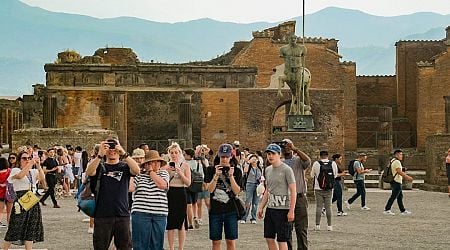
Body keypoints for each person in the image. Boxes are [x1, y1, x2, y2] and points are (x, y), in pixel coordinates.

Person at [85, 138, 140, 250]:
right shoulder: (99, 166)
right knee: (100, 247)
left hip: (122, 214)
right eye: (108, 147)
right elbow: (89, 172)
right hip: (102, 215)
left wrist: (124, 153)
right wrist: (99, 155)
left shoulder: (124, 167)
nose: (112, 150)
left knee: (125, 247)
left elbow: (136, 170)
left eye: (114, 147)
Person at [3, 151, 46, 250]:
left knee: (31, 227)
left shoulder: (33, 171)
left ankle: (29, 249)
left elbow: (42, 178)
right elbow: (20, 176)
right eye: (24, 158)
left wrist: (39, 166)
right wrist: (30, 163)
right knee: (15, 226)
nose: (27, 160)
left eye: (29, 158)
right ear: (19, 160)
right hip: (21, 199)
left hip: (32, 199)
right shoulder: (15, 170)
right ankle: (5, 248)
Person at [257, 143, 296, 250]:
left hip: (283, 209)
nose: (270, 156)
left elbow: (293, 191)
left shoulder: (287, 170)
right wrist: (261, 207)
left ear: (279, 154)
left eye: (273, 154)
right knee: (269, 238)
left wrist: (291, 210)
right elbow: (267, 190)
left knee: (282, 240)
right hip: (271, 208)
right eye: (269, 154)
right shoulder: (268, 170)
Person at [204, 143, 242, 250]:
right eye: (222, 156)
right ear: (218, 156)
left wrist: (231, 176)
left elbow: (237, 191)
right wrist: (216, 175)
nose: (224, 159)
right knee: (216, 241)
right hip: (215, 210)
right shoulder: (211, 170)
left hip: (231, 210)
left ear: (231, 157)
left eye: (226, 156)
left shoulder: (236, 171)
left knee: (230, 241)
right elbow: (209, 189)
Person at [130, 150, 169, 250]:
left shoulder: (163, 173)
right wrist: (132, 173)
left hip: (159, 213)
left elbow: (162, 185)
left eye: (158, 162)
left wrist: (151, 172)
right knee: (140, 245)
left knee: (157, 245)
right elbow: (130, 188)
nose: (156, 164)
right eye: (153, 162)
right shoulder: (139, 175)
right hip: (141, 212)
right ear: (147, 164)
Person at [281, 139, 310, 250]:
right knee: (286, 229)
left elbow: (307, 161)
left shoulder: (298, 160)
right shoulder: (280, 162)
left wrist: (294, 148)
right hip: (285, 199)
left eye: (288, 145)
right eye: (284, 145)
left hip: (299, 197)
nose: (286, 147)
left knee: (301, 229)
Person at [164, 142, 191, 250]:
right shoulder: (166, 166)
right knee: (170, 222)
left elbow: (188, 183)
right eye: (172, 153)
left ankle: (181, 247)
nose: (174, 155)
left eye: (176, 152)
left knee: (181, 222)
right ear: (169, 154)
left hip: (181, 192)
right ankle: (171, 247)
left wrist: (181, 174)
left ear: (179, 153)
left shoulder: (185, 166)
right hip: (170, 193)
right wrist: (166, 170)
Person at [279, 33, 310, 115]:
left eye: (295, 38)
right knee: (294, 91)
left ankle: (302, 109)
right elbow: (282, 57)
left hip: (298, 69)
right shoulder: (283, 49)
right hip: (289, 71)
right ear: (288, 39)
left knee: (300, 90)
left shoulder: (302, 48)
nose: (293, 40)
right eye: (291, 38)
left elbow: (303, 56)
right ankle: (296, 108)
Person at [310, 150, 338, 231]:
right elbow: (335, 175)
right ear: (327, 156)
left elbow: (312, 175)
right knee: (328, 207)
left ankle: (317, 225)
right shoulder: (333, 163)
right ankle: (329, 226)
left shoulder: (316, 163)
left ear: (320, 156)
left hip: (318, 188)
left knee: (319, 207)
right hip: (329, 188)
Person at [383, 149, 413, 215]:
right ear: (397, 155)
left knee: (399, 196)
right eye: (400, 154)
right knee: (394, 196)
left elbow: (396, 169)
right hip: (396, 181)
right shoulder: (397, 162)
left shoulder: (392, 161)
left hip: (394, 180)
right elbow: (399, 171)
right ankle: (387, 209)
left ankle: (402, 210)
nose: (402, 156)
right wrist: (407, 177)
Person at [184, 148, 203, 229]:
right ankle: (195, 217)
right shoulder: (198, 163)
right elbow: (202, 175)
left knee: (188, 204)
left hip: (187, 185)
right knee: (195, 203)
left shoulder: (184, 164)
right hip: (196, 184)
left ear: (188, 155)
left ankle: (190, 223)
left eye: (184, 154)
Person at [241, 154, 263, 224]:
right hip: (249, 184)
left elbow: (262, 176)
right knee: (248, 201)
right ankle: (244, 218)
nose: (254, 160)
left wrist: (262, 183)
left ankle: (253, 218)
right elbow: (245, 171)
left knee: (255, 203)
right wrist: (248, 162)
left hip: (258, 185)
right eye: (253, 159)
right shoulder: (249, 166)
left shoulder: (260, 168)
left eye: (256, 159)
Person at [195, 144, 210, 226]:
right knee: (198, 202)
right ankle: (199, 218)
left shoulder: (205, 161)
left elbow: (207, 172)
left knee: (208, 202)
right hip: (198, 183)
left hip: (205, 182)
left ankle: (211, 216)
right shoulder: (195, 160)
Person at [0, 157, 11, 227]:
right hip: (9, 194)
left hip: (0, 194)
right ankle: (10, 225)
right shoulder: (9, 171)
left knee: (0, 211)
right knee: (9, 212)